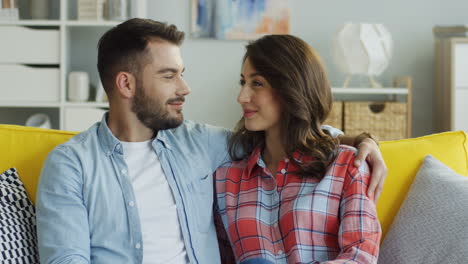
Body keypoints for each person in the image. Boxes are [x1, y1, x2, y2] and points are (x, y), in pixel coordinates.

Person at [36, 19, 384, 264]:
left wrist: (360, 139)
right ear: (126, 85)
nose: (185, 88)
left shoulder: (201, 144)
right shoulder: (71, 164)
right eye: (169, 76)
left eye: (182, 74)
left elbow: (288, 137)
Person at [214, 35, 382, 263]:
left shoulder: (347, 166)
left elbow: (360, 256)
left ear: (290, 88)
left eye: (257, 83)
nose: (242, 97)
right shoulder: (227, 178)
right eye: (243, 82)